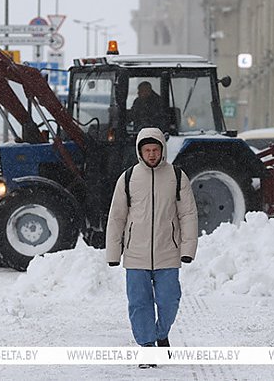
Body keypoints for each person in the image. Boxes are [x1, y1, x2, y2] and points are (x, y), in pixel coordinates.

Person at [105, 127, 198, 369]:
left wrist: (187, 249)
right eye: (147, 150)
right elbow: (117, 217)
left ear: (162, 150)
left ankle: (161, 333)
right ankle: (147, 346)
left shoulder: (177, 176)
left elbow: (188, 215)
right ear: (140, 152)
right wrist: (113, 252)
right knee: (139, 303)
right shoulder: (128, 178)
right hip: (136, 254)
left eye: (155, 149)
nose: (152, 154)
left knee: (169, 300)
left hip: (168, 251)